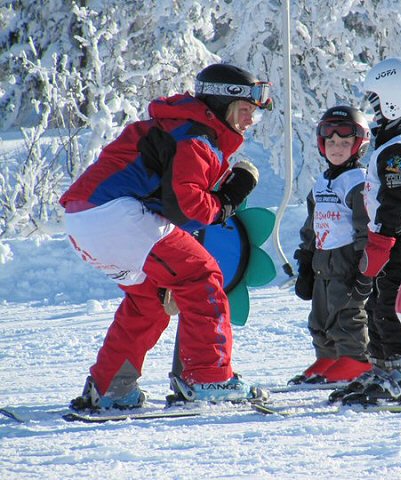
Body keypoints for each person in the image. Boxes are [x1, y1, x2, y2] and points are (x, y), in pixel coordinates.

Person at [60, 63, 273, 410]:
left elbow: (172, 206)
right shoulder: (196, 137)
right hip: (116, 215)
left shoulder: (178, 128)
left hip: (84, 219)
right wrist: (227, 201)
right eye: (246, 110)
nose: (250, 121)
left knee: (150, 300)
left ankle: (112, 387)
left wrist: (221, 198)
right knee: (202, 275)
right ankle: (209, 378)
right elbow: (187, 207)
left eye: (254, 114)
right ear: (222, 106)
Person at [331, 57, 401, 405]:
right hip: (397, 239)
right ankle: (384, 367)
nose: (376, 112)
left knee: (395, 305)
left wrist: (381, 242)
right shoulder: (397, 142)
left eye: (378, 102)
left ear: (396, 97)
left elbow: (399, 201)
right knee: (379, 304)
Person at [289, 106, 373, 385]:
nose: (337, 148)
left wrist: (364, 263)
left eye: (345, 143)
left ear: (358, 146)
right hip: (322, 259)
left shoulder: (358, 181)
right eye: (331, 142)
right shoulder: (321, 182)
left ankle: (354, 359)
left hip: (347, 259)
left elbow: (365, 226)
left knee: (346, 310)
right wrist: (305, 260)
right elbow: (312, 225)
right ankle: (328, 356)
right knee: (321, 313)